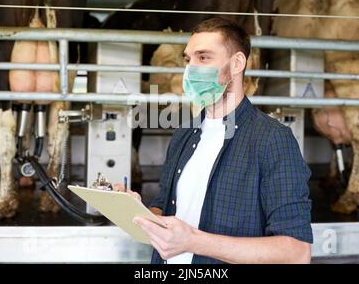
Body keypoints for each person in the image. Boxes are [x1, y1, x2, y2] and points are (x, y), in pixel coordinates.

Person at [123, 17, 313, 264]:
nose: (191, 69)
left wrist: (193, 242)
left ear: (237, 63)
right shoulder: (184, 134)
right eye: (188, 59)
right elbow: (165, 209)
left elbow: (296, 253)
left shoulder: (272, 139)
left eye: (203, 58)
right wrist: (135, 212)